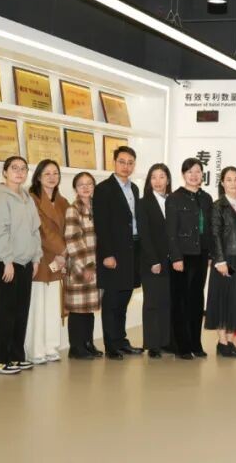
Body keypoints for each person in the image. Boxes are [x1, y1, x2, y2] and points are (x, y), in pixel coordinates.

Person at [0, 157, 42, 374]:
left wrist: (36, 258)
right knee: (3, 312)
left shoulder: (27, 198)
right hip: (4, 262)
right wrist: (7, 260)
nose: (19, 172)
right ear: (5, 172)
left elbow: (35, 230)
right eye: (14, 168)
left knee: (20, 312)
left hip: (24, 262)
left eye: (23, 168)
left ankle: (16, 356)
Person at [92, 146, 143, 360]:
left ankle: (122, 341)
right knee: (112, 301)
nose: (126, 166)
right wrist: (107, 254)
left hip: (133, 249)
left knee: (124, 299)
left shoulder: (135, 189)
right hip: (114, 252)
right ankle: (111, 345)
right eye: (122, 161)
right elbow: (101, 224)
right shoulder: (103, 189)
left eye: (130, 162)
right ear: (114, 162)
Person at [165, 158, 214, 360]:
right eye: (189, 172)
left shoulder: (206, 198)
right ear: (183, 175)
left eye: (197, 172)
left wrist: (210, 254)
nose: (194, 176)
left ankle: (196, 343)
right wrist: (176, 257)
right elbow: (170, 232)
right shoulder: (174, 198)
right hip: (182, 256)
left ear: (202, 174)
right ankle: (182, 346)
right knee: (180, 302)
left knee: (196, 300)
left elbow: (209, 229)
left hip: (201, 254)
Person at [205, 167, 236, 358]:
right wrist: (220, 261)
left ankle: (231, 341)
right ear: (222, 183)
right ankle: (222, 342)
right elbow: (215, 235)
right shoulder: (218, 206)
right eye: (229, 179)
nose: (233, 183)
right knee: (224, 297)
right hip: (227, 260)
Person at [26, 159, 68, 365]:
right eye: (47, 174)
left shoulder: (62, 201)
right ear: (38, 177)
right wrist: (62, 251)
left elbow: (69, 228)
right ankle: (35, 350)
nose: (52, 177)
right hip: (40, 257)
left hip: (59, 259)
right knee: (38, 305)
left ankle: (51, 347)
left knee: (52, 304)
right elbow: (42, 230)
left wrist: (64, 254)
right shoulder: (31, 199)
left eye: (55, 173)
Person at [63, 172, 101, 360]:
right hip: (81, 266)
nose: (85, 187)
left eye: (89, 184)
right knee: (78, 310)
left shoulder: (97, 207)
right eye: (81, 184)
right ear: (75, 188)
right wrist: (87, 266)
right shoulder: (73, 209)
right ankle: (76, 348)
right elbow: (72, 239)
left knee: (88, 307)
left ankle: (88, 343)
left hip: (95, 265)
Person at [137, 164, 173, 359]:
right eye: (154, 177)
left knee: (167, 301)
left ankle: (165, 341)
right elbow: (144, 234)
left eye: (162, 176)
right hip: (152, 261)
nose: (158, 181)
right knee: (152, 302)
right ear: (149, 181)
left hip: (171, 261)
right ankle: (152, 344)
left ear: (168, 179)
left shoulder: (173, 201)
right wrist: (153, 260)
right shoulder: (143, 203)